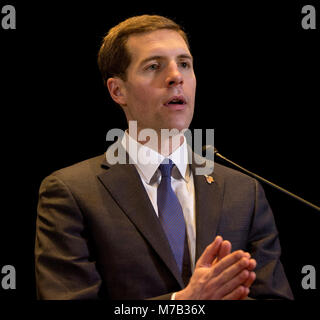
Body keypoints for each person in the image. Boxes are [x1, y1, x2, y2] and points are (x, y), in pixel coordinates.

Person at [35, 15, 293, 300]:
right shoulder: (71, 193)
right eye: (154, 66)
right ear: (117, 90)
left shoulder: (244, 192)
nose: (175, 76)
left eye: (184, 63)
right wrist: (182, 303)